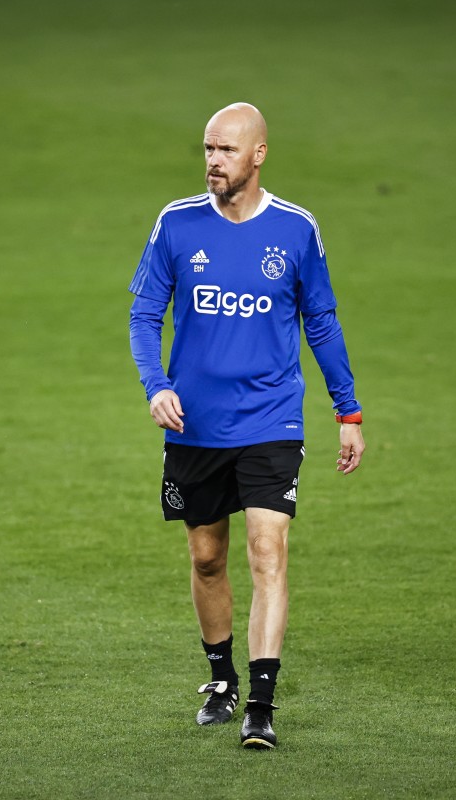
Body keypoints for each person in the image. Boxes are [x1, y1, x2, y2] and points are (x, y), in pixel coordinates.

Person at [127, 102, 365, 750]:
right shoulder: (176, 224)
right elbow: (144, 315)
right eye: (208, 149)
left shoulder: (295, 230)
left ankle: (261, 703)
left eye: (226, 150)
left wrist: (347, 411)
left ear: (258, 155)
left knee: (267, 550)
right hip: (195, 425)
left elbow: (322, 321)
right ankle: (222, 680)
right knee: (207, 559)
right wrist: (157, 386)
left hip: (271, 418)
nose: (213, 161)